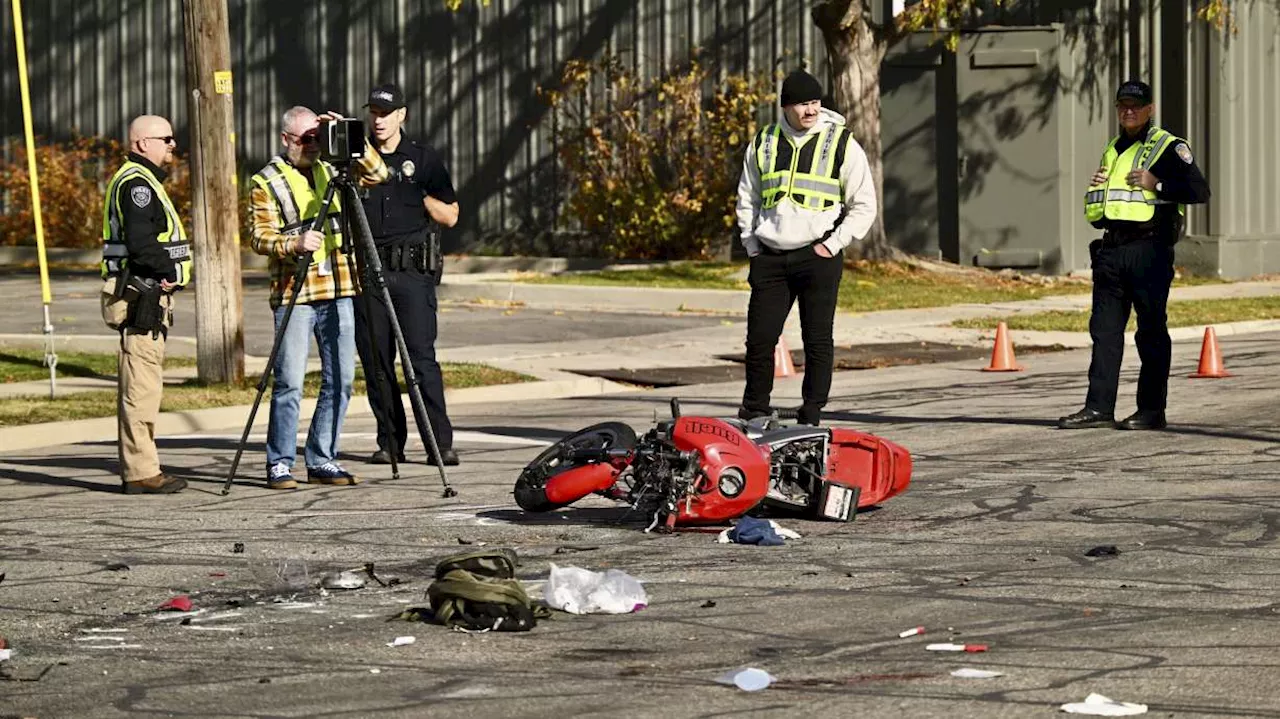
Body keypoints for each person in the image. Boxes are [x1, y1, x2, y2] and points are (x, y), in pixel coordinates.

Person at [249, 106, 390, 489]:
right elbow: (258, 236)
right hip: (295, 291)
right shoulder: (266, 180)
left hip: (340, 289)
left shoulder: (335, 170)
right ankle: (280, 462)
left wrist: (350, 135)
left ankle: (322, 458)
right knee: (290, 381)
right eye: (304, 139)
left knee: (341, 380)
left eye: (318, 138)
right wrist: (291, 243)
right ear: (285, 140)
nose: (313, 146)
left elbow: (379, 175)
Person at [1059, 80, 1211, 431]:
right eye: (1123, 105)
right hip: (1112, 250)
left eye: (1136, 105)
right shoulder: (1113, 148)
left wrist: (1155, 183)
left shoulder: (1169, 147)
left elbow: (1199, 190)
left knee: (1150, 332)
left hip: (1149, 249)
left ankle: (1151, 410)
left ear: (1150, 109)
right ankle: (1098, 408)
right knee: (1104, 332)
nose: (1129, 110)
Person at [733, 69, 877, 426]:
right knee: (760, 339)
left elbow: (864, 204)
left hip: (817, 255)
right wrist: (751, 242)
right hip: (769, 256)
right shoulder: (764, 141)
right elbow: (746, 197)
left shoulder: (841, 143)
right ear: (786, 107)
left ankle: (811, 410)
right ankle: (754, 410)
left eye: (815, 103)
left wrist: (834, 244)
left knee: (817, 338)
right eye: (802, 104)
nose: (810, 110)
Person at [355, 83, 461, 466]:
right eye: (375, 113)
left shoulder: (423, 159)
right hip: (369, 271)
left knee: (420, 359)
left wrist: (415, 194)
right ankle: (390, 443)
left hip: (412, 273)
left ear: (402, 115)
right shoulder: (355, 158)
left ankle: (439, 442)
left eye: (387, 113)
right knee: (377, 362)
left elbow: (451, 215)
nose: (379, 120)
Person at [99, 115, 192, 494]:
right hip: (141, 293)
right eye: (165, 139)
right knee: (141, 384)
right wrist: (168, 269)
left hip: (146, 292)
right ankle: (140, 471)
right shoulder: (137, 184)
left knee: (145, 381)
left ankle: (143, 465)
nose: (172, 145)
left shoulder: (143, 179)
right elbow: (141, 243)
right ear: (141, 144)